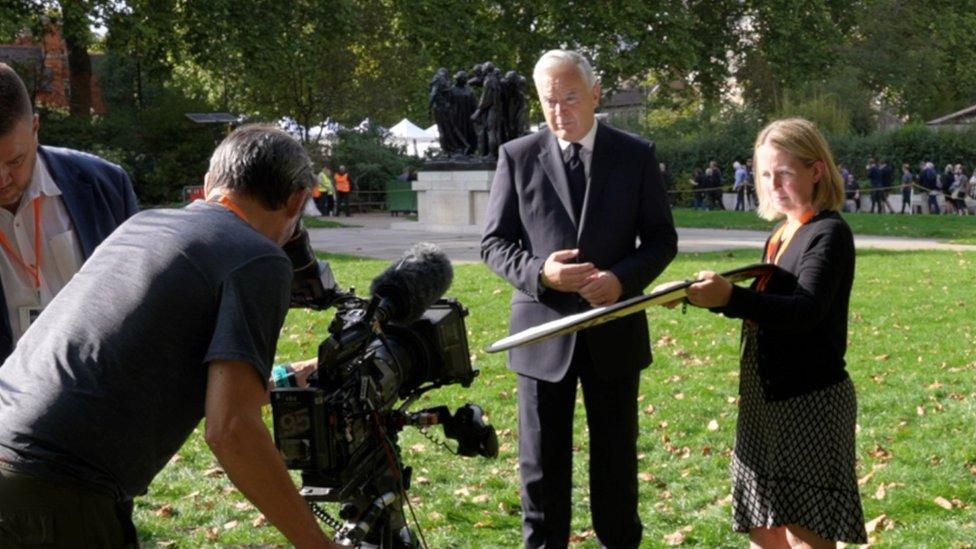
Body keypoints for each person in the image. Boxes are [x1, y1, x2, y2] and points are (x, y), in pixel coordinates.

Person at [0, 125, 340, 548]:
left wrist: (294, 376)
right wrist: (317, 543)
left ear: (210, 184)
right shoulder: (260, 257)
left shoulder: (145, 225)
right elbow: (231, 429)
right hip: (55, 488)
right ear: (297, 200)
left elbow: (147, 369)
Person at [481, 49, 677, 549]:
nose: (559, 110)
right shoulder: (517, 156)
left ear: (595, 94)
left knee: (616, 464)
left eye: (569, 97)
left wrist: (621, 281)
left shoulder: (635, 154)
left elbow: (661, 239)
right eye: (548, 100)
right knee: (541, 470)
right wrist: (540, 273)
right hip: (542, 337)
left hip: (614, 328)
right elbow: (493, 244)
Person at [681, 118, 867, 547]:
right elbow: (766, 307)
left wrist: (730, 298)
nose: (773, 183)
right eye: (765, 174)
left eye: (784, 172)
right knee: (762, 524)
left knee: (806, 532)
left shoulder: (829, 232)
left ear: (815, 171)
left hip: (810, 401)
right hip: (765, 401)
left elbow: (805, 311)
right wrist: (700, 297)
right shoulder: (782, 232)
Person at [0, 62, 138, 361]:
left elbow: (142, 298)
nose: (2, 179)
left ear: (36, 128)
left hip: (104, 388)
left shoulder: (106, 185)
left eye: (15, 161)